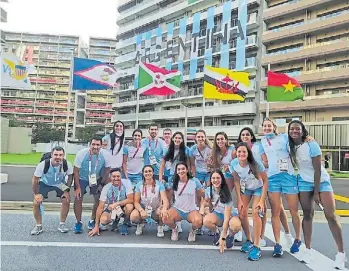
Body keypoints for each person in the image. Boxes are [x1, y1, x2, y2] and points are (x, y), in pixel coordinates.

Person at [288, 120, 346, 269]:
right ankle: (308, 250)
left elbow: (318, 170)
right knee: (307, 215)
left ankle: (341, 254)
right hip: (303, 182)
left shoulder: (311, 144)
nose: (294, 131)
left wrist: (316, 192)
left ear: (303, 131)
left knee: (330, 215)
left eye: (297, 129)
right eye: (292, 129)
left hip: (321, 181)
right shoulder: (290, 145)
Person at [237, 127, 291, 247]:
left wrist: (257, 166)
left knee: (267, 208)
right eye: (243, 135)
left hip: (263, 180)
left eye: (247, 134)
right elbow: (235, 166)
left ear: (251, 136)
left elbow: (266, 161)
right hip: (246, 184)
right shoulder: (238, 149)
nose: (245, 136)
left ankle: (265, 235)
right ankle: (245, 235)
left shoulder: (258, 146)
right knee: (243, 210)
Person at [260, 118, 302, 257]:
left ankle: (297, 239)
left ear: (274, 127)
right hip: (272, 178)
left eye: (269, 126)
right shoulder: (263, 142)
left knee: (294, 210)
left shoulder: (284, 137)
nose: (266, 128)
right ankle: (278, 244)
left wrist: (309, 138)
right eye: (264, 126)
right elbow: (264, 160)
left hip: (288, 175)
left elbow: (299, 140)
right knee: (275, 211)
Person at [230, 142, 268, 261]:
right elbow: (236, 180)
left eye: (244, 152)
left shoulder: (255, 164)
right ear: (236, 153)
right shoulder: (234, 164)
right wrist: (240, 199)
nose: (241, 154)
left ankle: (257, 246)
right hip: (245, 188)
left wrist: (262, 201)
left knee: (256, 213)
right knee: (242, 212)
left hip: (258, 188)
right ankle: (249, 240)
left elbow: (265, 181)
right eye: (239, 151)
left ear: (248, 153)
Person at [73, 136, 112, 233]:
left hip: (96, 178)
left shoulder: (106, 155)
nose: (95, 147)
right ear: (90, 145)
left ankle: (92, 220)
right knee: (78, 199)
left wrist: (103, 183)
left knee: (98, 199)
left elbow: (107, 170)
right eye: (93, 144)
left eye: (98, 145)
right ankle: (78, 222)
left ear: (101, 146)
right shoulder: (81, 154)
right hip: (82, 178)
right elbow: (76, 171)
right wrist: (77, 187)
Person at [30, 147, 73, 235]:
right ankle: (38, 226)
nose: (58, 157)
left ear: (63, 156)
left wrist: (67, 191)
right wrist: (36, 194)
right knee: (36, 202)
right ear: (51, 155)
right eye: (56, 155)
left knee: (66, 200)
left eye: (60, 155)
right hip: (45, 183)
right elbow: (35, 179)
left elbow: (70, 177)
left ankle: (62, 224)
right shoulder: (43, 164)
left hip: (59, 183)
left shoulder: (67, 164)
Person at [162, 162, 204, 242]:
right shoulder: (173, 180)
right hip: (177, 209)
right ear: (176, 171)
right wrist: (166, 208)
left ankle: (192, 230)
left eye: (183, 169)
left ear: (187, 170)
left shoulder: (194, 181)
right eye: (179, 169)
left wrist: (201, 208)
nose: (181, 171)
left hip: (191, 210)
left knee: (198, 221)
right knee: (165, 217)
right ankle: (175, 229)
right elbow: (169, 195)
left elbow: (201, 196)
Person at [88, 168, 134, 236]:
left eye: (118, 176)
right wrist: (96, 226)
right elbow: (100, 207)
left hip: (124, 206)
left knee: (129, 207)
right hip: (112, 208)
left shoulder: (127, 183)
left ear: (121, 176)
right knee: (103, 220)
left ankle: (125, 223)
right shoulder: (106, 187)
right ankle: (115, 220)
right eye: (114, 176)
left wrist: (116, 204)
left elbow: (130, 199)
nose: (116, 178)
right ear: (110, 177)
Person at [202, 169, 241, 249]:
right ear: (210, 180)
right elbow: (206, 202)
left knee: (235, 226)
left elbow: (226, 219)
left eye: (218, 178)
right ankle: (216, 232)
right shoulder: (208, 190)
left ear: (222, 179)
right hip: (218, 214)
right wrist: (206, 206)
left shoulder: (227, 193)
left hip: (230, 216)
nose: (215, 180)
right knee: (206, 220)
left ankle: (230, 236)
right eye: (213, 178)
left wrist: (223, 238)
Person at [131, 165, 169, 237]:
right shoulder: (139, 185)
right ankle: (140, 224)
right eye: (145, 171)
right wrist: (141, 210)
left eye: (150, 171)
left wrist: (163, 208)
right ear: (142, 173)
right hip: (144, 208)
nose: (148, 173)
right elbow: (136, 201)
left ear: (153, 173)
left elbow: (165, 200)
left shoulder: (159, 184)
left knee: (162, 212)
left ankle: (160, 226)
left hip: (155, 209)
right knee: (133, 216)